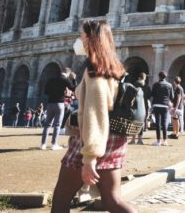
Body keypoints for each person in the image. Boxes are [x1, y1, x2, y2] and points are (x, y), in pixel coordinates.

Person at [51, 19, 136, 213]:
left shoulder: (95, 72)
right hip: (113, 139)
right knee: (112, 201)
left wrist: (89, 158)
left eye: (81, 36)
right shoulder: (113, 69)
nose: (78, 41)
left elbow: (96, 115)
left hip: (91, 142)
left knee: (61, 200)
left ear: (91, 40)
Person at [41, 67, 76, 150]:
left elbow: (46, 91)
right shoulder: (65, 79)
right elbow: (74, 88)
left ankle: (43, 144)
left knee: (47, 125)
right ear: (67, 73)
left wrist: (53, 92)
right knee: (57, 125)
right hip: (59, 103)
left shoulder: (51, 79)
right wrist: (74, 79)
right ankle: (54, 144)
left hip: (50, 103)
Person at [150, 71, 174, 147]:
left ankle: (158, 141)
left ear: (159, 76)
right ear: (166, 77)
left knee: (158, 123)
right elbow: (172, 97)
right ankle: (165, 141)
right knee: (164, 123)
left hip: (157, 104)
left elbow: (152, 94)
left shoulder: (155, 84)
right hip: (165, 105)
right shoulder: (169, 85)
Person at [130, 72, 151, 145]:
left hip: (135, 105)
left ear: (139, 77)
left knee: (133, 122)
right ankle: (140, 140)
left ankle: (133, 139)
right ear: (144, 78)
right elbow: (149, 96)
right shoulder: (147, 86)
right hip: (144, 105)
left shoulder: (134, 84)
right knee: (141, 123)